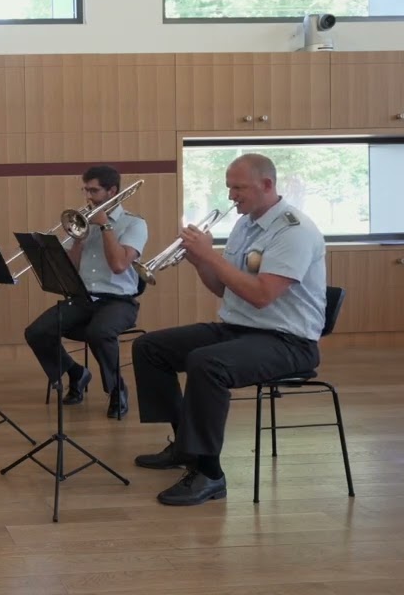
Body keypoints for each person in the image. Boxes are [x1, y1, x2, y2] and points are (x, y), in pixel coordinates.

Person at [131, 154, 327, 506]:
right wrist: (199, 262)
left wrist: (213, 257)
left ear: (267, 185)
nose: (231, 196)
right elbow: (224, 288)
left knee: (207, 364)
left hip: (288, 341)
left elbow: (263, 295)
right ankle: (185, 447)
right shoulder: (247, 223)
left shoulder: (293, 230)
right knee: (150, 347)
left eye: (239, 188)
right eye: (229, 188)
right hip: (240, 328)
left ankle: (209, 473)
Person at [23, 165, 147, 418]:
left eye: (94, 190)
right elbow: (72, 268)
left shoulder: (134, 224)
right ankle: (77, 373)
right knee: (37, 332)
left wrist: (105, 227)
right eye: (86, 190)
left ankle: (117, 391)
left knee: (98, 333)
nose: (88, 197)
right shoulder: (85, 221)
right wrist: (79, 237)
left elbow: (119, 265)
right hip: (83, 299)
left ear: (112, 190)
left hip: (119, 301)